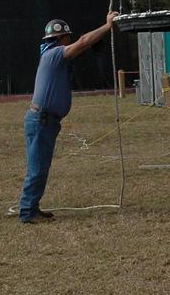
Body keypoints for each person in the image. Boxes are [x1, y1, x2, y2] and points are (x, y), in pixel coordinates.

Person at [18, 12, 118, 225]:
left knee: (40, 167)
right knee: (37, 168)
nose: (70, 41)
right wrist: (107, 26)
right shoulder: (54, 54)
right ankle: (27, 212)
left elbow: (83, 44)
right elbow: (83, 42)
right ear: (62, 39)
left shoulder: (50, 55)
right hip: (42, 121)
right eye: (67, 38)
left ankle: (32, 207)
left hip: (44, 121)